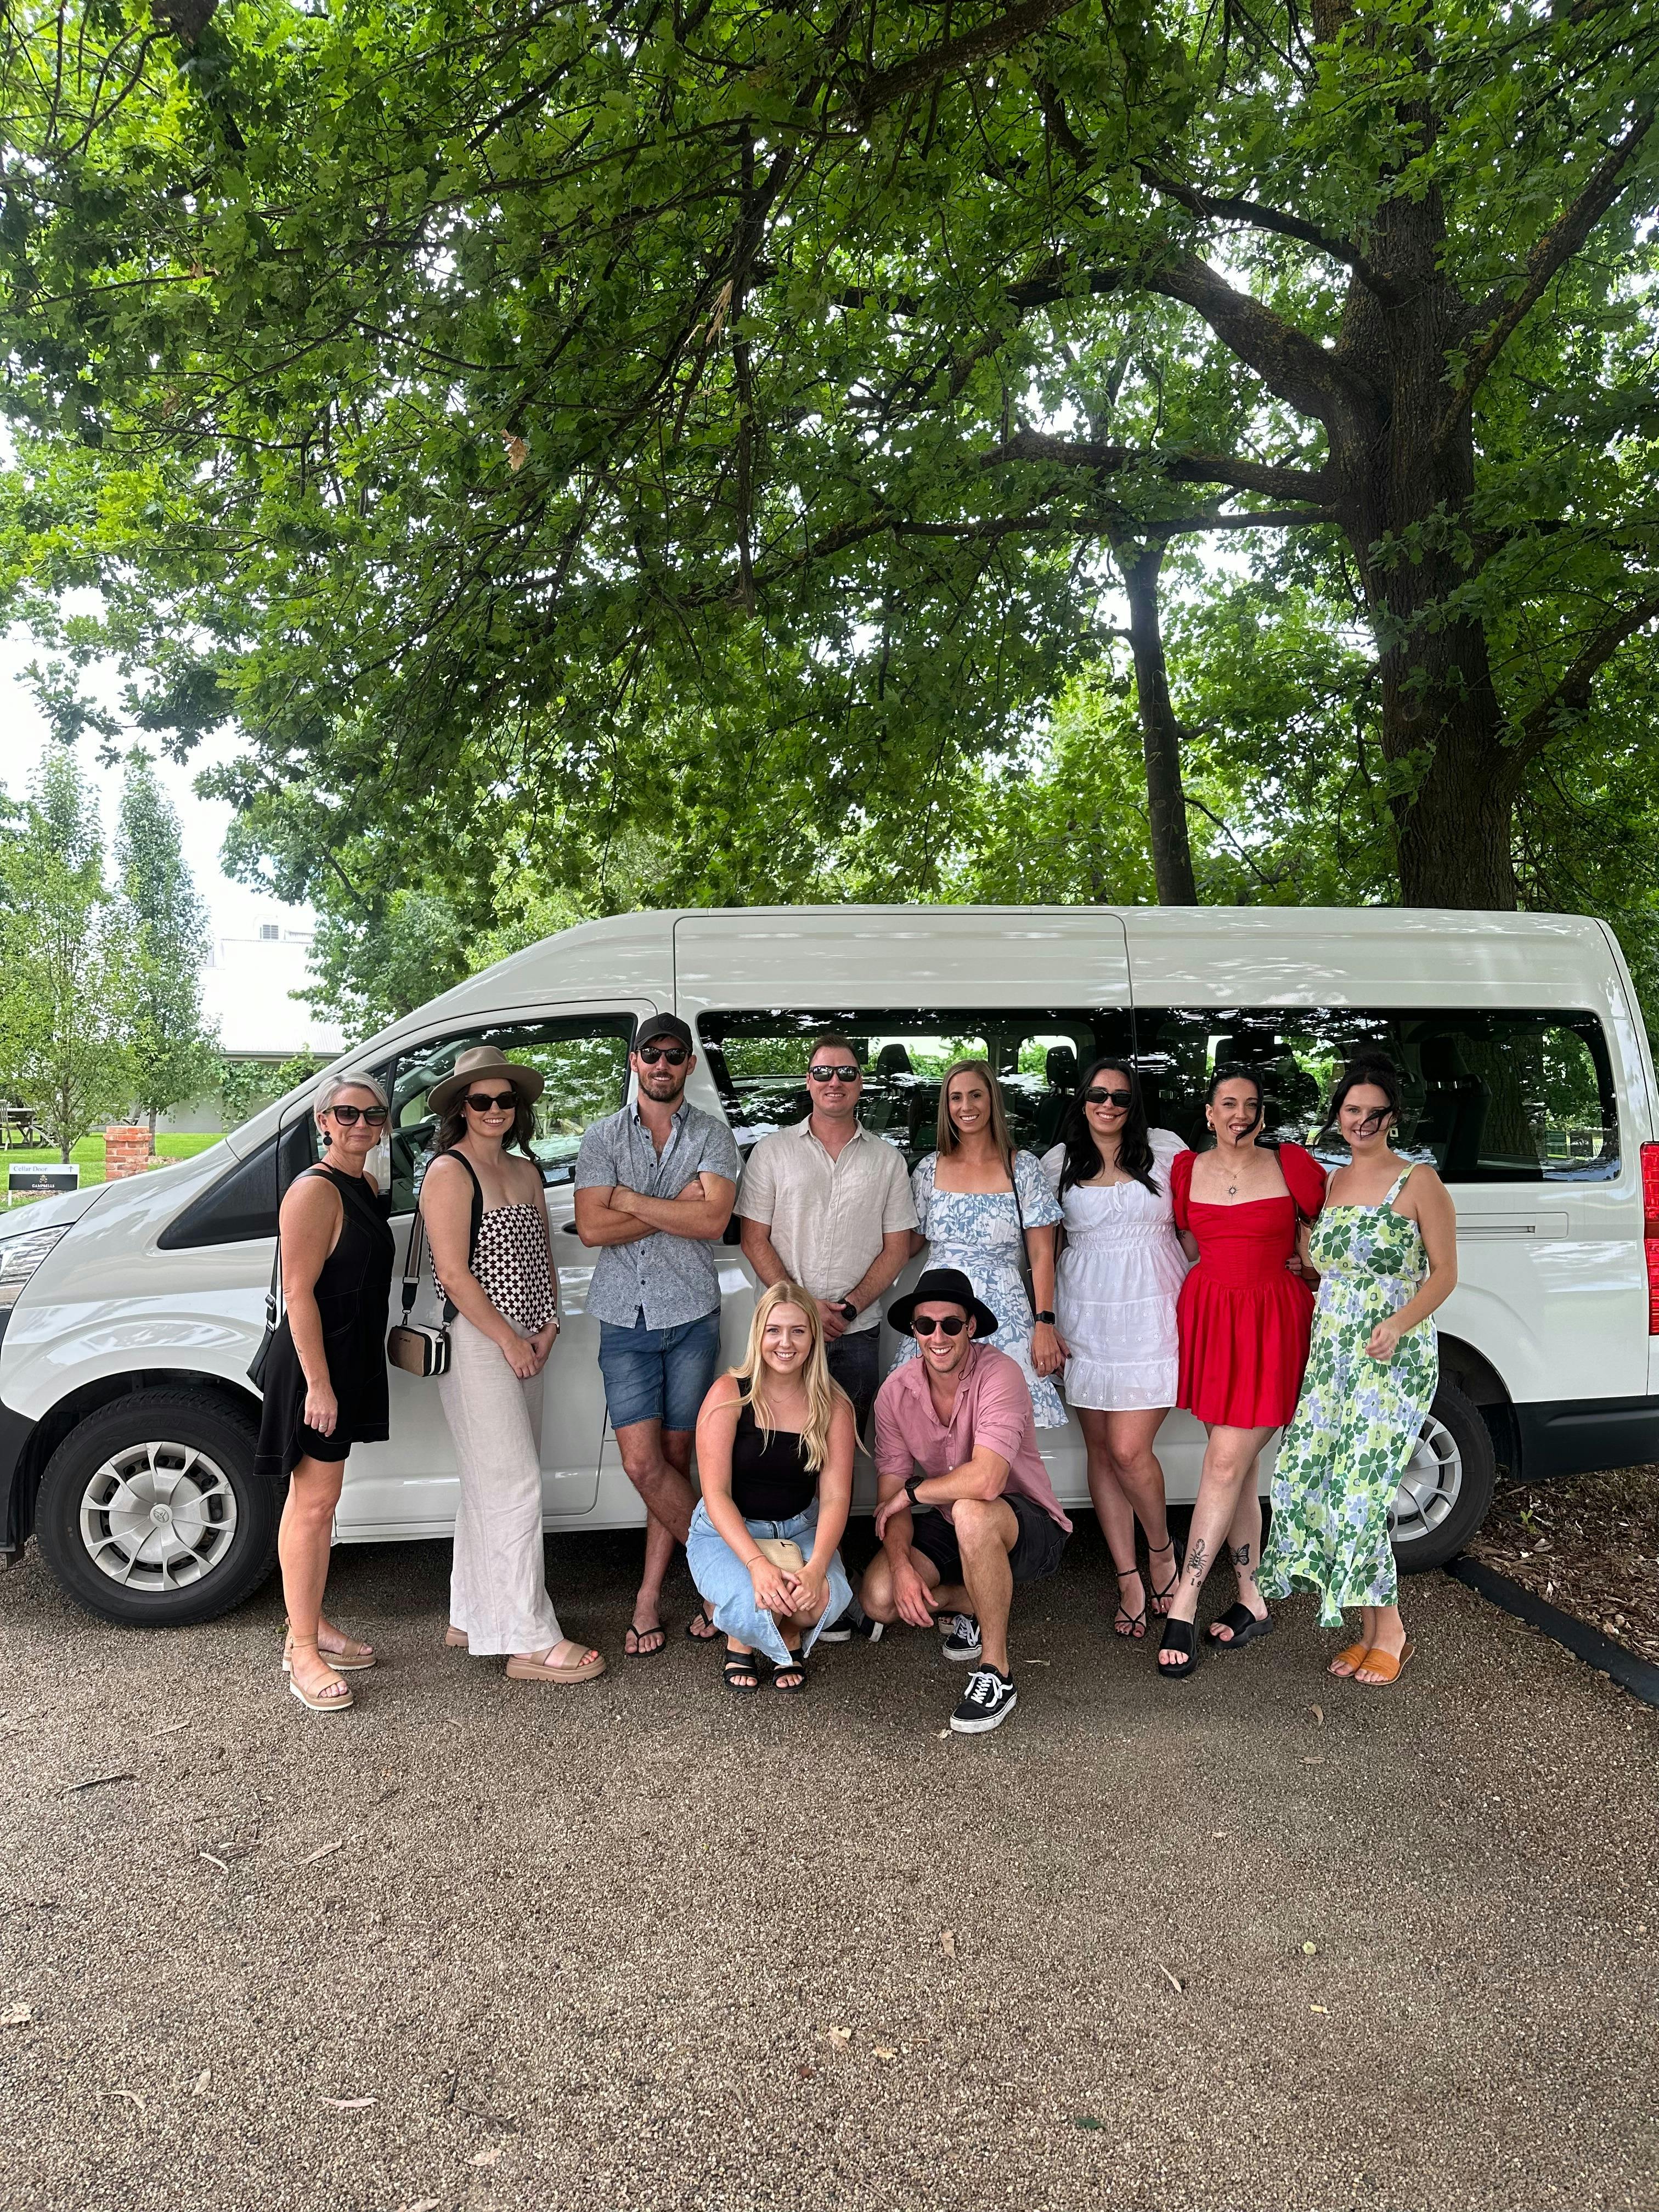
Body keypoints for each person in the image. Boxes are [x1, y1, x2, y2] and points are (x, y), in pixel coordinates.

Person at [1259, 1058, 1457, 1685]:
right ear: (1338, 1116)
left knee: (1362, 1492)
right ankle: (1369, 1628)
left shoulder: (1418, 1180)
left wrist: (1398, 1323)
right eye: (1352, 1111)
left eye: (1375, 1112)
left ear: (1392, 1118)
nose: (1363, 1122)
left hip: (1390, 1356)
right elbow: (1327, 1265)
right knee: (1317, 1482)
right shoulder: (1334, 1182)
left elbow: (1446, 1274)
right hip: (1333, 1353)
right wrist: (1304, 1267)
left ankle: (1390, 1630)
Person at [421, 1047, 603, 1686]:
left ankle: (471, 1616)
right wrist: (508, 1340)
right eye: (481, 1100)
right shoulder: (449, 1172)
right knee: (514, 1483)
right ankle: (527, 1638)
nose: (495, 1110)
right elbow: (452, 1273)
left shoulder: (526, 1172)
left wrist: (548, 1325)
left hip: (528, 1337)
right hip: (479, 1343)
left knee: (490, 1482)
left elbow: (543, 1258)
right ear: (460, 1108)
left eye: (506, 1100)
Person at [574, 1014, 740, 1655]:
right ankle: (724, 1578)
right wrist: (678, 1204)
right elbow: (590, 1229)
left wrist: (629, 1198)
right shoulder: (602, 1136)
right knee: (643, 1464)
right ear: (635, 1061)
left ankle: (649, 1597)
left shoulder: (713, 1135)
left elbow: (715, 1220)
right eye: (652, 1054)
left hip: (693, 1316)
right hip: (625, 1318)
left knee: (676, 1464)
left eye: (675, 1054)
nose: (663, 1064)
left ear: (690, 1064)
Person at [1156, 1066, 1327, 1680]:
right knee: (1241, 1468)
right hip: (1212, 1320)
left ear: (1260, 1114)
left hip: (1272, 1323)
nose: (1239, 1114)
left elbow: (1327, 1242)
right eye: (1227, 1104)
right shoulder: (1185, 1172)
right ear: (1208, 1114)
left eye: (1249, 1105)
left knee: (1224, 1464)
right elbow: (1187, 1242)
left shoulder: (1292, 1167)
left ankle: (1183, 1602)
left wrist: (1307, 1263)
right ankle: (1253, 1599)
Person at [860, 1268, 1072, 1734]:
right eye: (926, 1325)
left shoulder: (1001, 1374)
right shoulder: (895, 1393)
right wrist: (899, 1568)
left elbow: (988, 1480)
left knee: (971, 1509)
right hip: (951, 1517)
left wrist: (912, 1493)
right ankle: (972, 1604)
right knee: (878, 1600)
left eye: (951, 1325)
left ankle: (997, 1672)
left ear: (971, 1327)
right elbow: (887, 1498)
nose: (938, 1336)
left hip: (1026, 1522)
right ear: (913, 1331)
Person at [254, 1075, 395, 1713]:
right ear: (324, 1121)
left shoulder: (363, 1185)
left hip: (351, 1354)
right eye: (348, 1114)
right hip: (320, 1362)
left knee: (322, 1499)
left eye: (374, 1115)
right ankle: (301, 1650)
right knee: (312, 1504)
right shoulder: (313, 1191)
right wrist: (319, 1383)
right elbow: (298, 1292)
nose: (362, 1124)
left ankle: (311, 1625)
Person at [1040, 1059, 1188, 1638]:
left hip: (1153, 1309)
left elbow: (1198, 1226)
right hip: (1085, 1314)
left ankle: (1160, 1552)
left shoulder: (1167, 1151)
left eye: (1120, 1098)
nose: (1108, 1105)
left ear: (1135, 1105)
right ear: (1081, 1101)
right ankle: (1127, 1575)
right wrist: (1044, 1320)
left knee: (1130, 1450)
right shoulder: (1059, 1162)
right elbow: (1044, 1251)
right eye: (1097, 1095)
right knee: (1101, 1451)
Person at [736, 1032, 916, 1440]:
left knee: (844, 1451)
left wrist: (847, 1310)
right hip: (783, 1333)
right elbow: (754, 1240)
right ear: (808, 1081)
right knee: (779, 1449)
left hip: (856, 1334)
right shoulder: (772, 1152)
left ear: (860, 1083)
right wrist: (805, 1310)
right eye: (823, 1071)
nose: (834, 1081)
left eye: (846, 1073)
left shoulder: (888, 1161)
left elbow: (897, 1249)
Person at [687, 1282, 856, 1694]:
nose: (785, 1343)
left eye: (798, 1331)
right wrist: (756, 1565)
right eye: (774, 1330)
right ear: (759, 1334)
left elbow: (835, 1497)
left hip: (799, 1529)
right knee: (754, 1598)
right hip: (727, 1532)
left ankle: (787, 1631)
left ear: (813, 1338)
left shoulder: (833, 1405)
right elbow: (716, 1494)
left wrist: (815, 1568)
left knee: (823, 1600)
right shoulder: (729, 1393)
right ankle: (739, 1634)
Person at [896, 1058, 1066, 1427]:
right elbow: (906, 1244)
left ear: (993, 1100)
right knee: (939, 1424)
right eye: (956, 1098)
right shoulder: (929, 1168)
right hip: (939, 1314)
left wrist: (1044, 1324)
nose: (966, 1107)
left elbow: (1041, 1255)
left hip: (1005, 1312)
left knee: (999, 1429)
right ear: (946, 1107)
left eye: (976, 1095)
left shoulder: (1022, 1168)